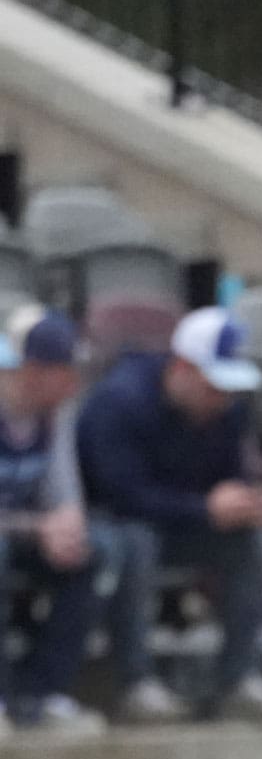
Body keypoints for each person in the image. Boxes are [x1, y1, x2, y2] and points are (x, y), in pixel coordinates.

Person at [77, 307, 262, 722]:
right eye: (214, 384)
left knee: (251, 542)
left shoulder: (229, 411)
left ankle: (241, 679)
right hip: (117, 527)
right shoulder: (119, 402)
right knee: (134, 542)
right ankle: (137, 685)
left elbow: (228, 476)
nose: (223, 396)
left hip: (185, 525)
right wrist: (207, 508)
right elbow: (120, 497)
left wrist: (243, 503)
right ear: (183, 369)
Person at [0, 303, 106, 736]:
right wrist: (39, 527)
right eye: (65, 371)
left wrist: (67, 526)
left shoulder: (56, 414)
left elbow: (65, 493)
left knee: (93, 551)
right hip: (11, 535)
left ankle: (47, 693)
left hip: (25, 533)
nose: (74, 382)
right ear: (34, 369)